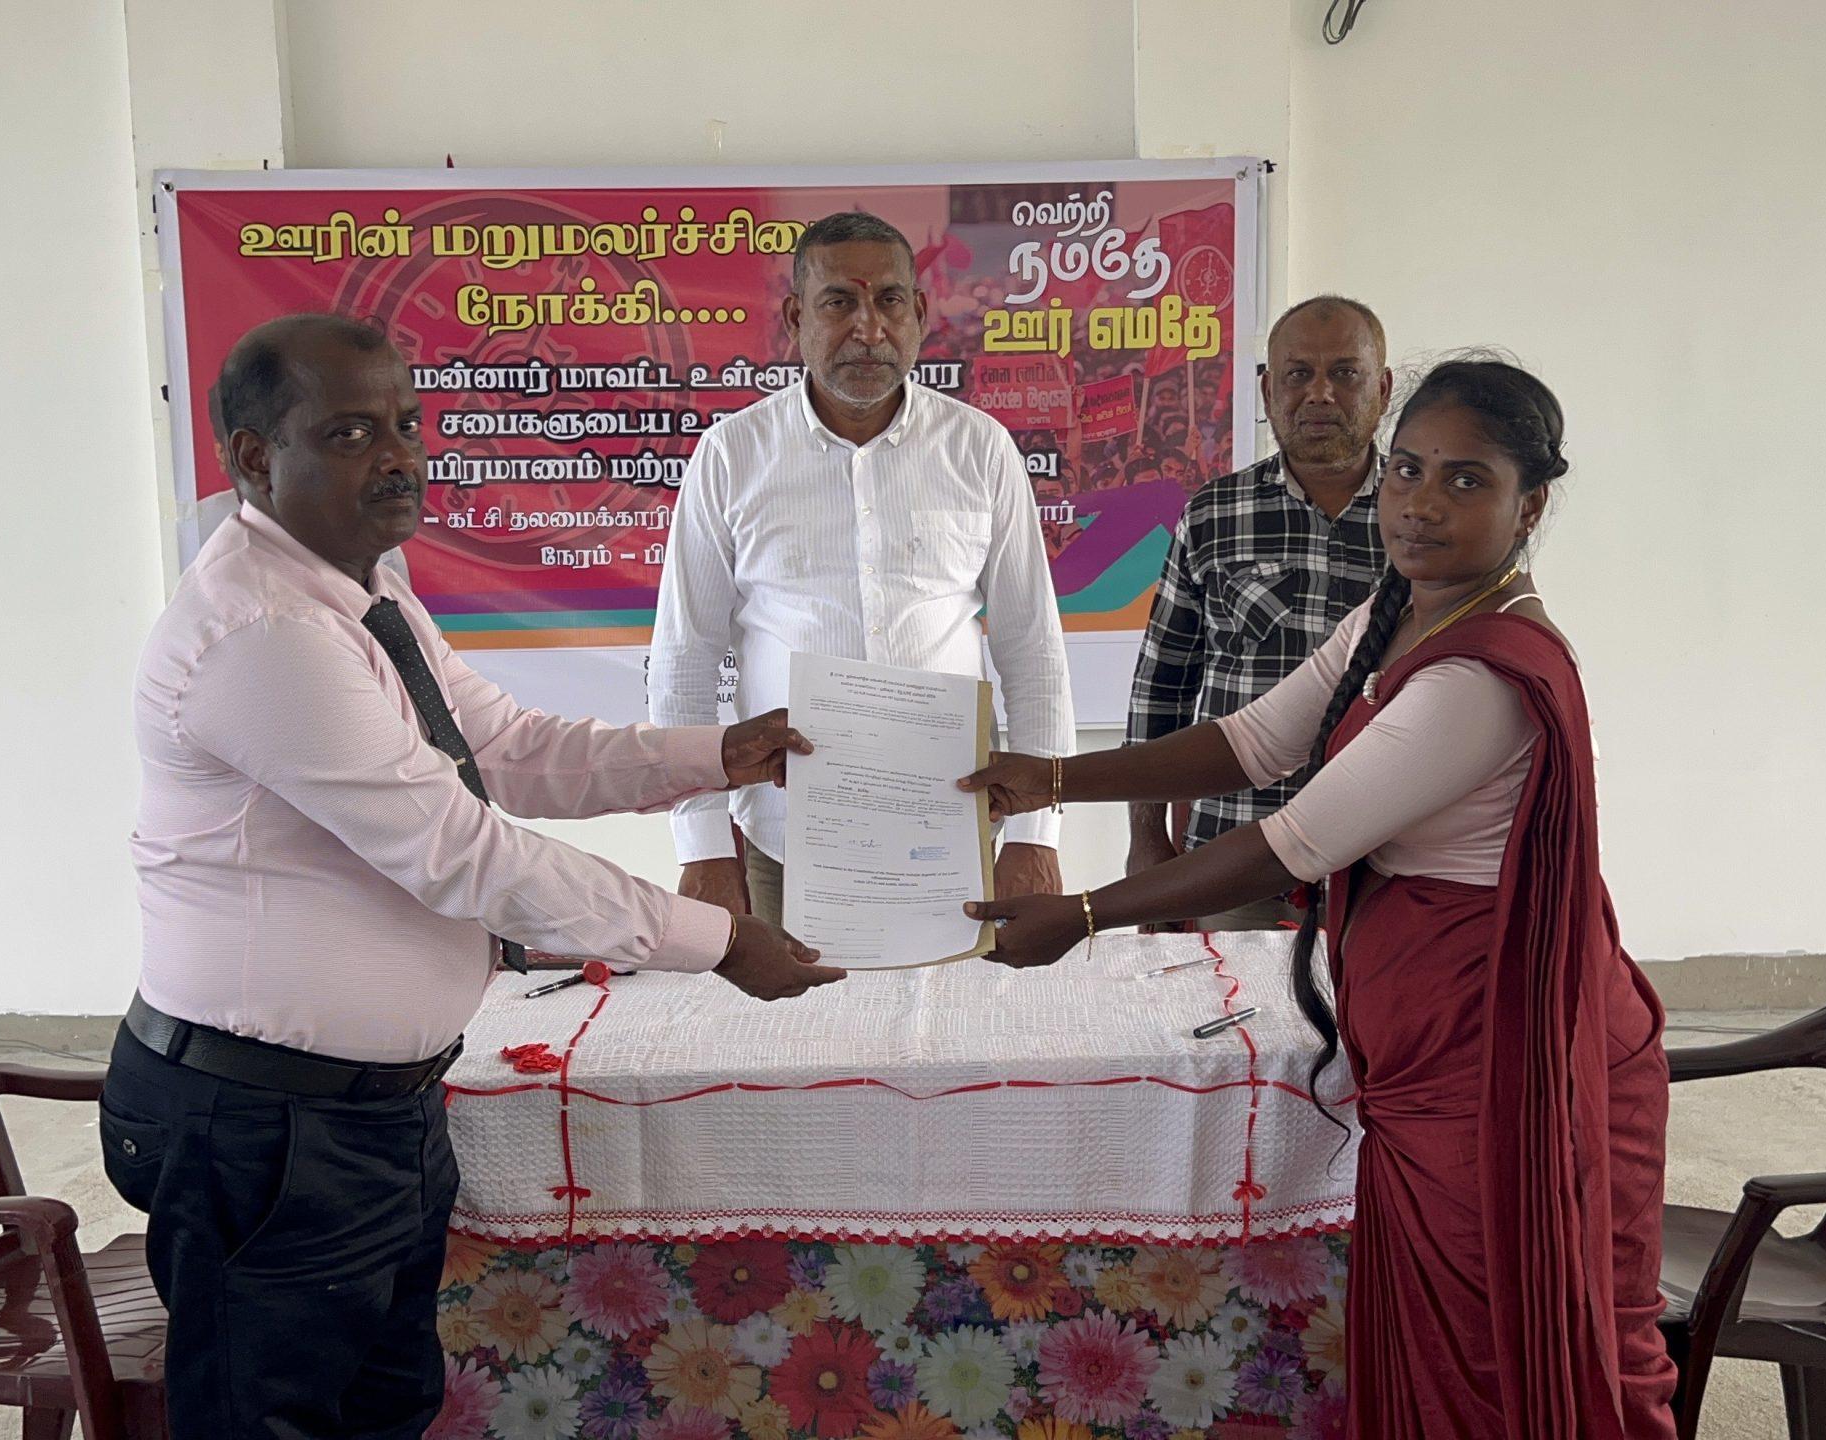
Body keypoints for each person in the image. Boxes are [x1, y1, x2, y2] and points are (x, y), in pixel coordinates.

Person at [106, 313, 844, 1440]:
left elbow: (501, 746)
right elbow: (460, 850)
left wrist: (716, 753)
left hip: (368, 1108)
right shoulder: (264, 632)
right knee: (273, 1420)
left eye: (406, 424)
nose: (398, 457)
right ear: (255, 457)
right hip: (264, 1122)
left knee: (387, 1406)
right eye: (351, 433)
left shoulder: (363, 587)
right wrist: (719, 941)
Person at [959, 357, 1676, 1437]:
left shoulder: (1481, 676)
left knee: (1508, 1343)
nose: (1420, 503)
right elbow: (1255, 741)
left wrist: (1088, 914)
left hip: (1503, 1048)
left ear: (1529, 506)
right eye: (1408, 470)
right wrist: (1054, 777)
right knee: (1445, 1336)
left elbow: (1288, 844)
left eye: (1466, 481)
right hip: (1437, 1037)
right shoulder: (1401, 611)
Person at [651, 211, 1075, 924]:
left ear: (920, 314)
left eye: (889, 301)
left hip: (954, 831)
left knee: (967, 1002)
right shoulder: (731, 456)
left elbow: (1032, 650)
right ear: (796, 318)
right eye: (839, 302)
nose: (868, 329)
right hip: (786, 843)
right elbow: (683, 662)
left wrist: (1036, 834)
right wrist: (703, 847)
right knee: (786, 1003)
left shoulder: (979, 449)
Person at [1124, 295, 1393, 930]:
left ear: (1382, 389)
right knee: (1224, 996)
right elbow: (1161, 690)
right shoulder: (1214, 514)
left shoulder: (1422, 519)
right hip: (1233, 853)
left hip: (1383, 857)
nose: (1320, 393)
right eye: (1299, 373)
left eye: (1344, 373)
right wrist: (1146, 840)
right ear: (1269, 390)